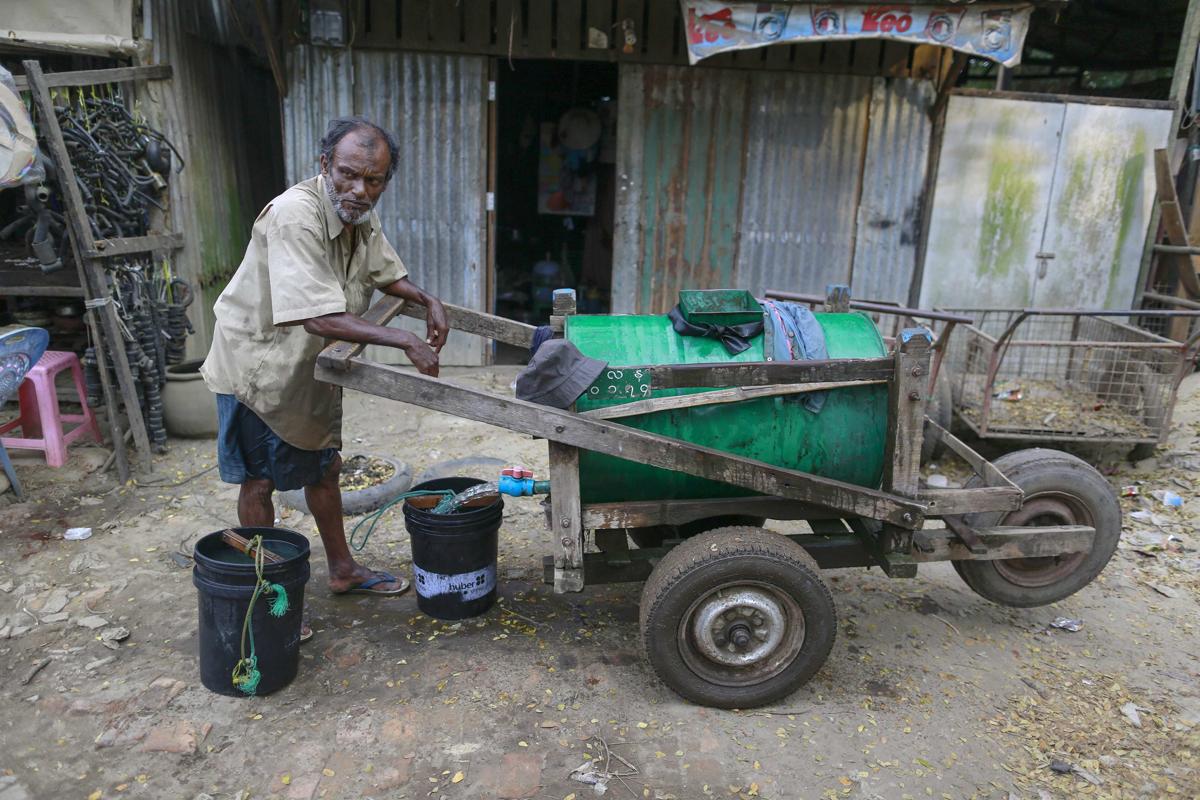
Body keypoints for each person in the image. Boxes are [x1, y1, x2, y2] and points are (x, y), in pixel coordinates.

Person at [201, 116, 449, 613]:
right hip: (260, 365)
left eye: (373, 180)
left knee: (325, 468)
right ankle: (263, 598)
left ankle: (342, 570)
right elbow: (317, 318)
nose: (359, 190)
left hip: (307, 366)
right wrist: (404, 337)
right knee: (261, 481)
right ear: (325, 165)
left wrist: (426, 299)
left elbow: (383, 271)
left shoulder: (358, 212)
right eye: (348, 174)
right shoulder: (296, 215)